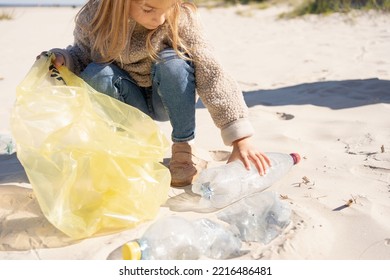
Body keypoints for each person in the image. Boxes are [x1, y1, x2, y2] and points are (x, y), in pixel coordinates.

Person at [38, 0, 271, 187]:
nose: (159, 19)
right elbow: (81, 55)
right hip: (127, 102)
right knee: (96, 73)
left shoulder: (181, 17)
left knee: (174, 63)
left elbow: (211, 70)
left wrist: (240, 136)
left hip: (168, 99)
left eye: (167, 8)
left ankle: (183, 148)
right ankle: (132, 149)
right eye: (149, 8)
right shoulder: (95, 16)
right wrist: (63, 59)